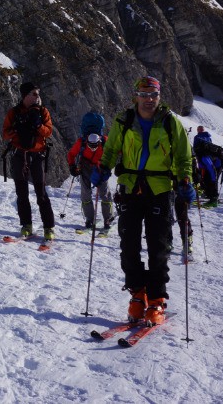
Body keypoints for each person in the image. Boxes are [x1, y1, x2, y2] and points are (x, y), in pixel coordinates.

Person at [94, 76, 192, 326]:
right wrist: (103, 167)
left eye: (154, 95)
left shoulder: (171, 122)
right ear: (135, 95)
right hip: (130, 188)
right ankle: (138, 295)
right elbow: (112, 147)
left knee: (159, 247)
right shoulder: (124, 120)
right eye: (144, 94)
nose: (149, 100)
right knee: (128, 245)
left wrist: (185, 181)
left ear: (160, 97)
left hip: (160, 189)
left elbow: (183, 155)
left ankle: (157, 300)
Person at [2, 82, 56, 240]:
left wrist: (37, 124)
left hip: (37, 156)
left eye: (38, 93)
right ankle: (26, 225)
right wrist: (17, 128)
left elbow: (48, 132)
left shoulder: (43, 111)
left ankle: (49, 227)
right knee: (22, 193)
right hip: (20, 155)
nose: (37, 96)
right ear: (25, 95)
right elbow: (5, 133)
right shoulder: (14, 112)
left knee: (41, 194)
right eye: (34, 93)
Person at [66, 131, 114, 230]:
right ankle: (89, 219)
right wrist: (72, 166)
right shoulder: (81, 142)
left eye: (95, 145)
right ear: (87, 141)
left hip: (100, 167)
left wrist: (109, 166)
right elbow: (71, 154)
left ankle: (108, 218)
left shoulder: (105, 141)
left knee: (104, 193)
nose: (92, 147)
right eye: (90, 145)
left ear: (99, 141)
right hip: (85, 166)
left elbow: (116, 151)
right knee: (85, 193)